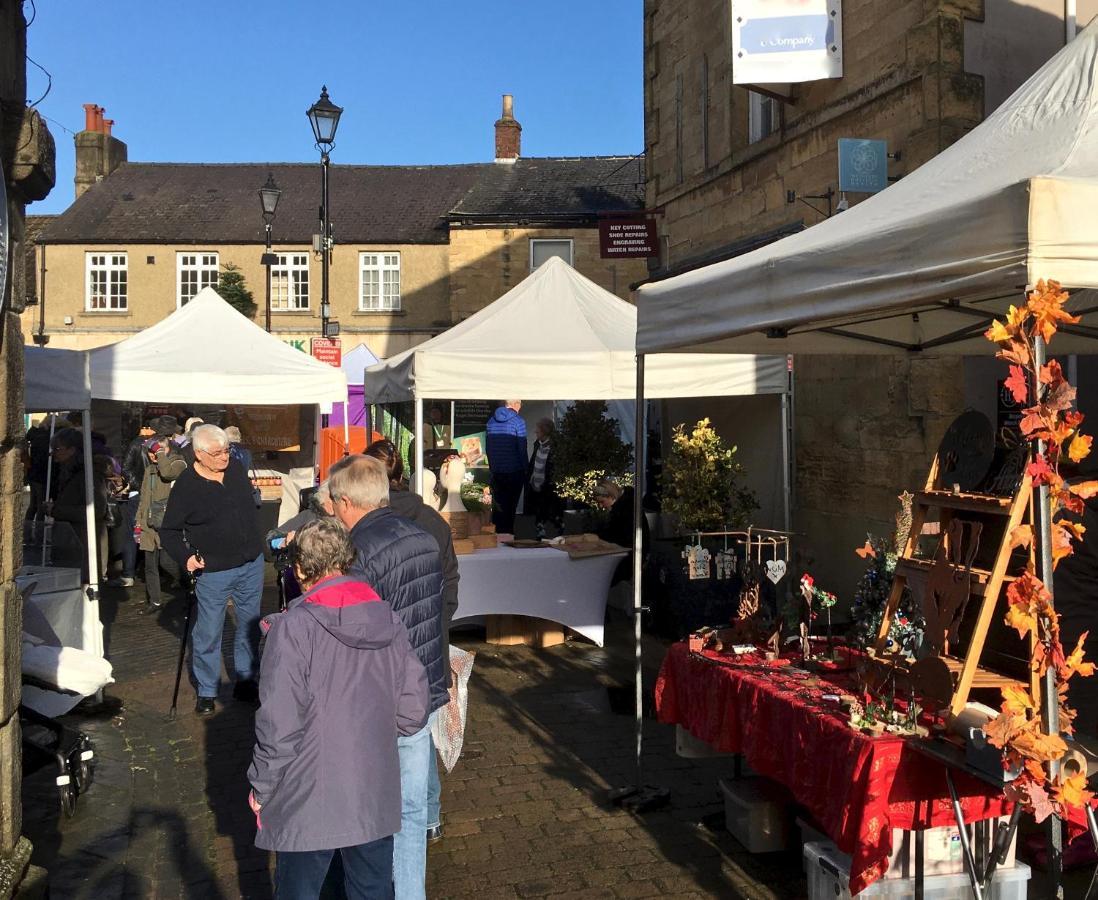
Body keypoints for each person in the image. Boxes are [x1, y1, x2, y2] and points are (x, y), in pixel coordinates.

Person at [248, 518, 428, 899]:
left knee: (301, 891)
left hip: (309, 795)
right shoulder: (388, 618)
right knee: (371, 891)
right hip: (371, 791)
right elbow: (413, 712)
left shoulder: (293, 628)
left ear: (298, 570)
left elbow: (279, 725)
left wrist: (261, 787)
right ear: (347, 561)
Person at [328, 455, 446, 900]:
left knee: (367, 811)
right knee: (413, 810)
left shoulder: (357, 552)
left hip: (377, 698)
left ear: (344, 501)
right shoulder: (423, 536)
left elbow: (351, 633)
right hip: (422, 687)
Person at [364, 439, 458, 843]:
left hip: (382, 649)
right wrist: (439, 622)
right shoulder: (432, 520)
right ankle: (430, 817)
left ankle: (391, 816)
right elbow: (450, 581)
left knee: (389, 739)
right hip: (428, 641)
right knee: (421, 738)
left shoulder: (366, 527)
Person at [161, 424, 265, 715]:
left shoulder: (234, 472)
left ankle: (246, 679)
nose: (224, 457)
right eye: (217, 452)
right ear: (199, 454)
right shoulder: (186, 485)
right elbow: (169, 530)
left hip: (250, 564)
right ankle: (207, 689)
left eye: (226, 450)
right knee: (208, 632)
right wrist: (186, 558)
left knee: (249, 625)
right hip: (214, 570)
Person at [45, 428, 105, 580]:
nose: (54, 453)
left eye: (57, 449)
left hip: (82, 544)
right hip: (69, 542)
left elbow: (96, 510)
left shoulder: (87, 475)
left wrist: (56, 510)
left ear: (72, 450)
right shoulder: (67, 472)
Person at [136, 433, 186, 610]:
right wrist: (138, 523)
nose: (153, 455)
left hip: (168, 522)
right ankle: (155, 601)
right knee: (150, 565)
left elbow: (167, 473)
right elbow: (144, 498)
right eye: (151, 452)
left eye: (158, 451)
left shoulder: (178, 463)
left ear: (168, 449)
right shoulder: (149, 469)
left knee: (167, 561)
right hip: (150, 522)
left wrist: (160, 454)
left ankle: (192, 586)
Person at [112, 418, 161, 587]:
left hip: (138, 494)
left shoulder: (135, 443)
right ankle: (155, 574)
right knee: (154, 531)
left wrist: (139, 486)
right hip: (156, 494)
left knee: (132, 533)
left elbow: (125, 469)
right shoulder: (162, 444)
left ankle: (128, 574)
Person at [594, 478, 650, 586]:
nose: (601, 506)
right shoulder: (626, 507)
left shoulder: (626, 510)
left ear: (610, 496)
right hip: (632, 552)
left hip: (632, 556)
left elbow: (621, 537)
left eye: (602, 502)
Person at [485, 400, 527, 534]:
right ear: (516, 404)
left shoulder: (491, 421)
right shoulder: (518, 422)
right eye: (520, 404)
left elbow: (488, 448)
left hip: (497, 471)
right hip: (514, 470)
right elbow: (522, 448)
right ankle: (508, 538)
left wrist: (493, 467)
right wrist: (525, 468)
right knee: (510, 508)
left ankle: (497, 538)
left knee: (498, 508)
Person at [524, 417, 558, 531]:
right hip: (535, 485)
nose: (535, 432)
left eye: (538, 430)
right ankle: (539, 532)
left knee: (546, 513)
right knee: (537, 515)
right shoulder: (537, 444)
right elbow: (534, 463)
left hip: (547, 486)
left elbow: (551, 468)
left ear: (544, 431)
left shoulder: (554, 447)